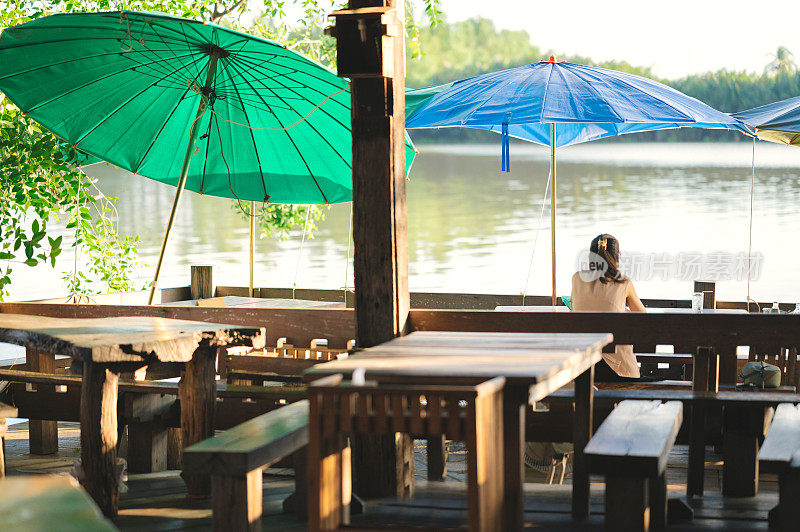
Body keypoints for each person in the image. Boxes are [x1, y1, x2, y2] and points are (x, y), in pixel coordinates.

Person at [571, 233, 647, 381]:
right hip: (619, 370)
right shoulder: (623, 284)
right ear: (616, 257)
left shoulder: (576, 279)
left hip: (583, 369)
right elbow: (644, 319)